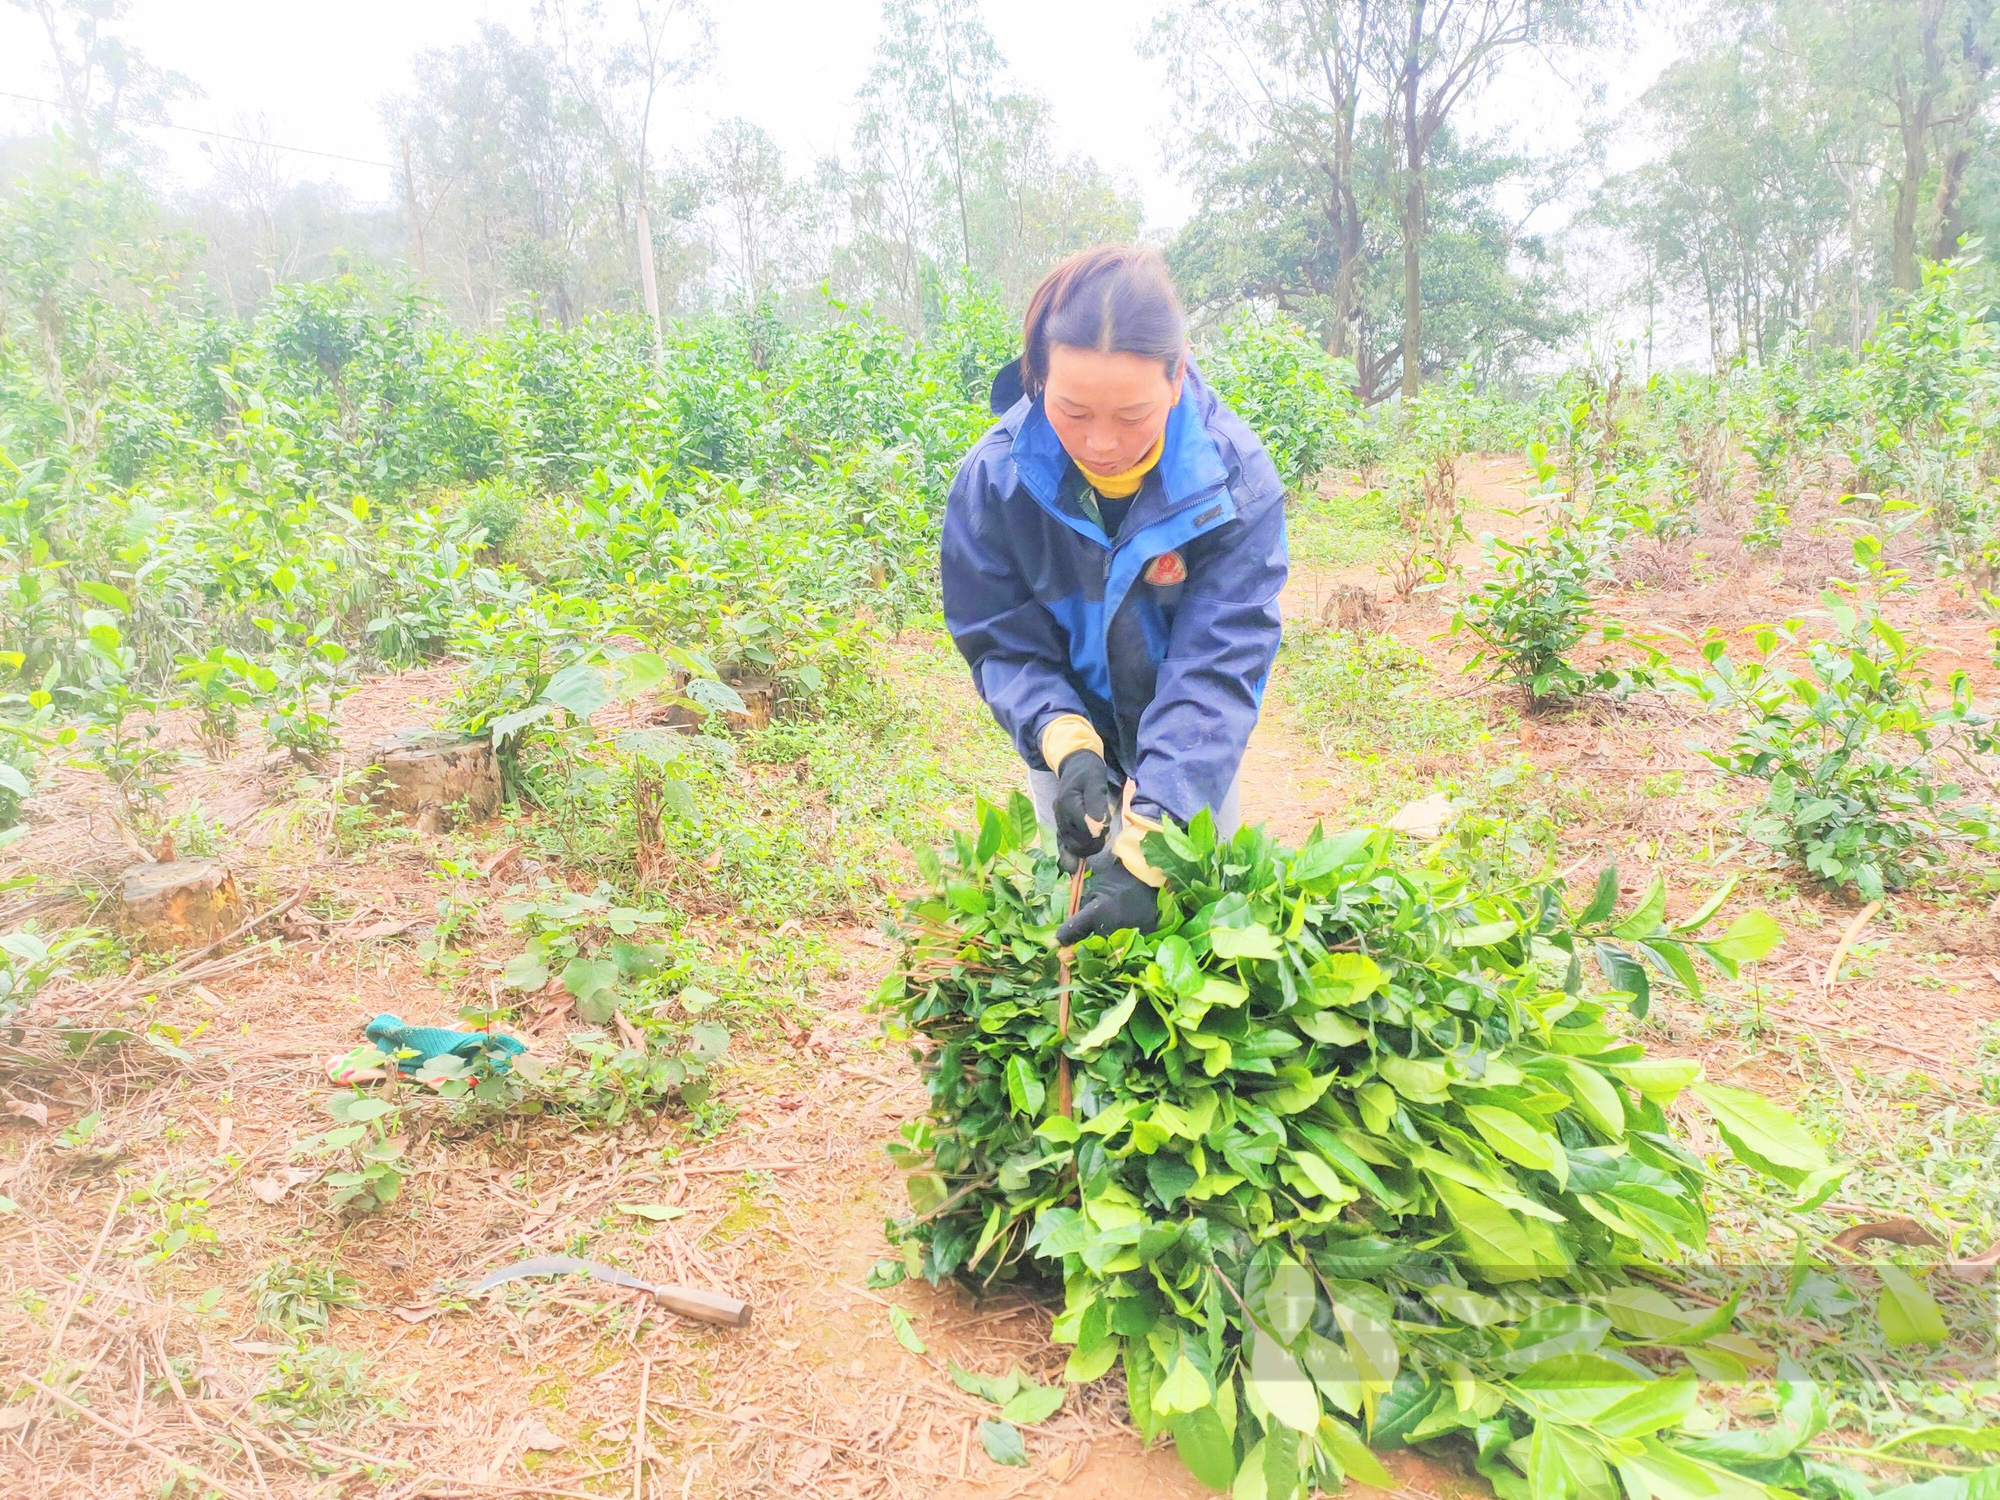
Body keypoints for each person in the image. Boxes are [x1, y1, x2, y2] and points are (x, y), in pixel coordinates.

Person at [942, 245, 1288, 945]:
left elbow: (1217, 665)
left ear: (1177, 376)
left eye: (1132, 416)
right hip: (1073, 750)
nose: (1101, 444)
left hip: (1191, 745)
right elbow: (1002, 639)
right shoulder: (994, 482)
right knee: (1084, 933)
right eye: (1072, 412)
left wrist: (1155, 837)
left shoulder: (1231, 481)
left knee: (1196, 938)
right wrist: (1067, 745)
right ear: (1037, 380)